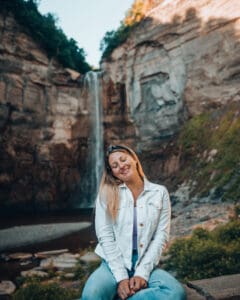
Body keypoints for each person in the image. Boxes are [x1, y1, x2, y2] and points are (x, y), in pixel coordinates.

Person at [81, 144, 186, 300]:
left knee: (176, 293)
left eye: (123, 159)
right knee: (91, 296)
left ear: (134, 159)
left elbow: (161, 236)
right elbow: (105, 236)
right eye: (114, 166)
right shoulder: (106, 193)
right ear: (113, 172)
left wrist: (142, 273)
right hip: (112, 264)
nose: (121, 166)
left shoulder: (159, 193)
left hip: (146, 263)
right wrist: (121, 277)